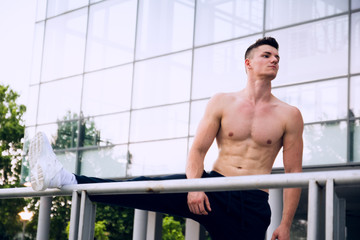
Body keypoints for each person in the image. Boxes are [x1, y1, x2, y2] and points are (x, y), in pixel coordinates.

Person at [29, 37, 303, 240]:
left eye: (277, 57)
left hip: (254, 202)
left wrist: (286, 224)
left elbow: (293, 173)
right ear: (248, 63)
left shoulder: (289, 115)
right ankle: (65, 178)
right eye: (267, 55)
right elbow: (197, 150)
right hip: (214, 188)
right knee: (144, 188)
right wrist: (195, 187)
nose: (275, 60)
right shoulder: (222, 101)